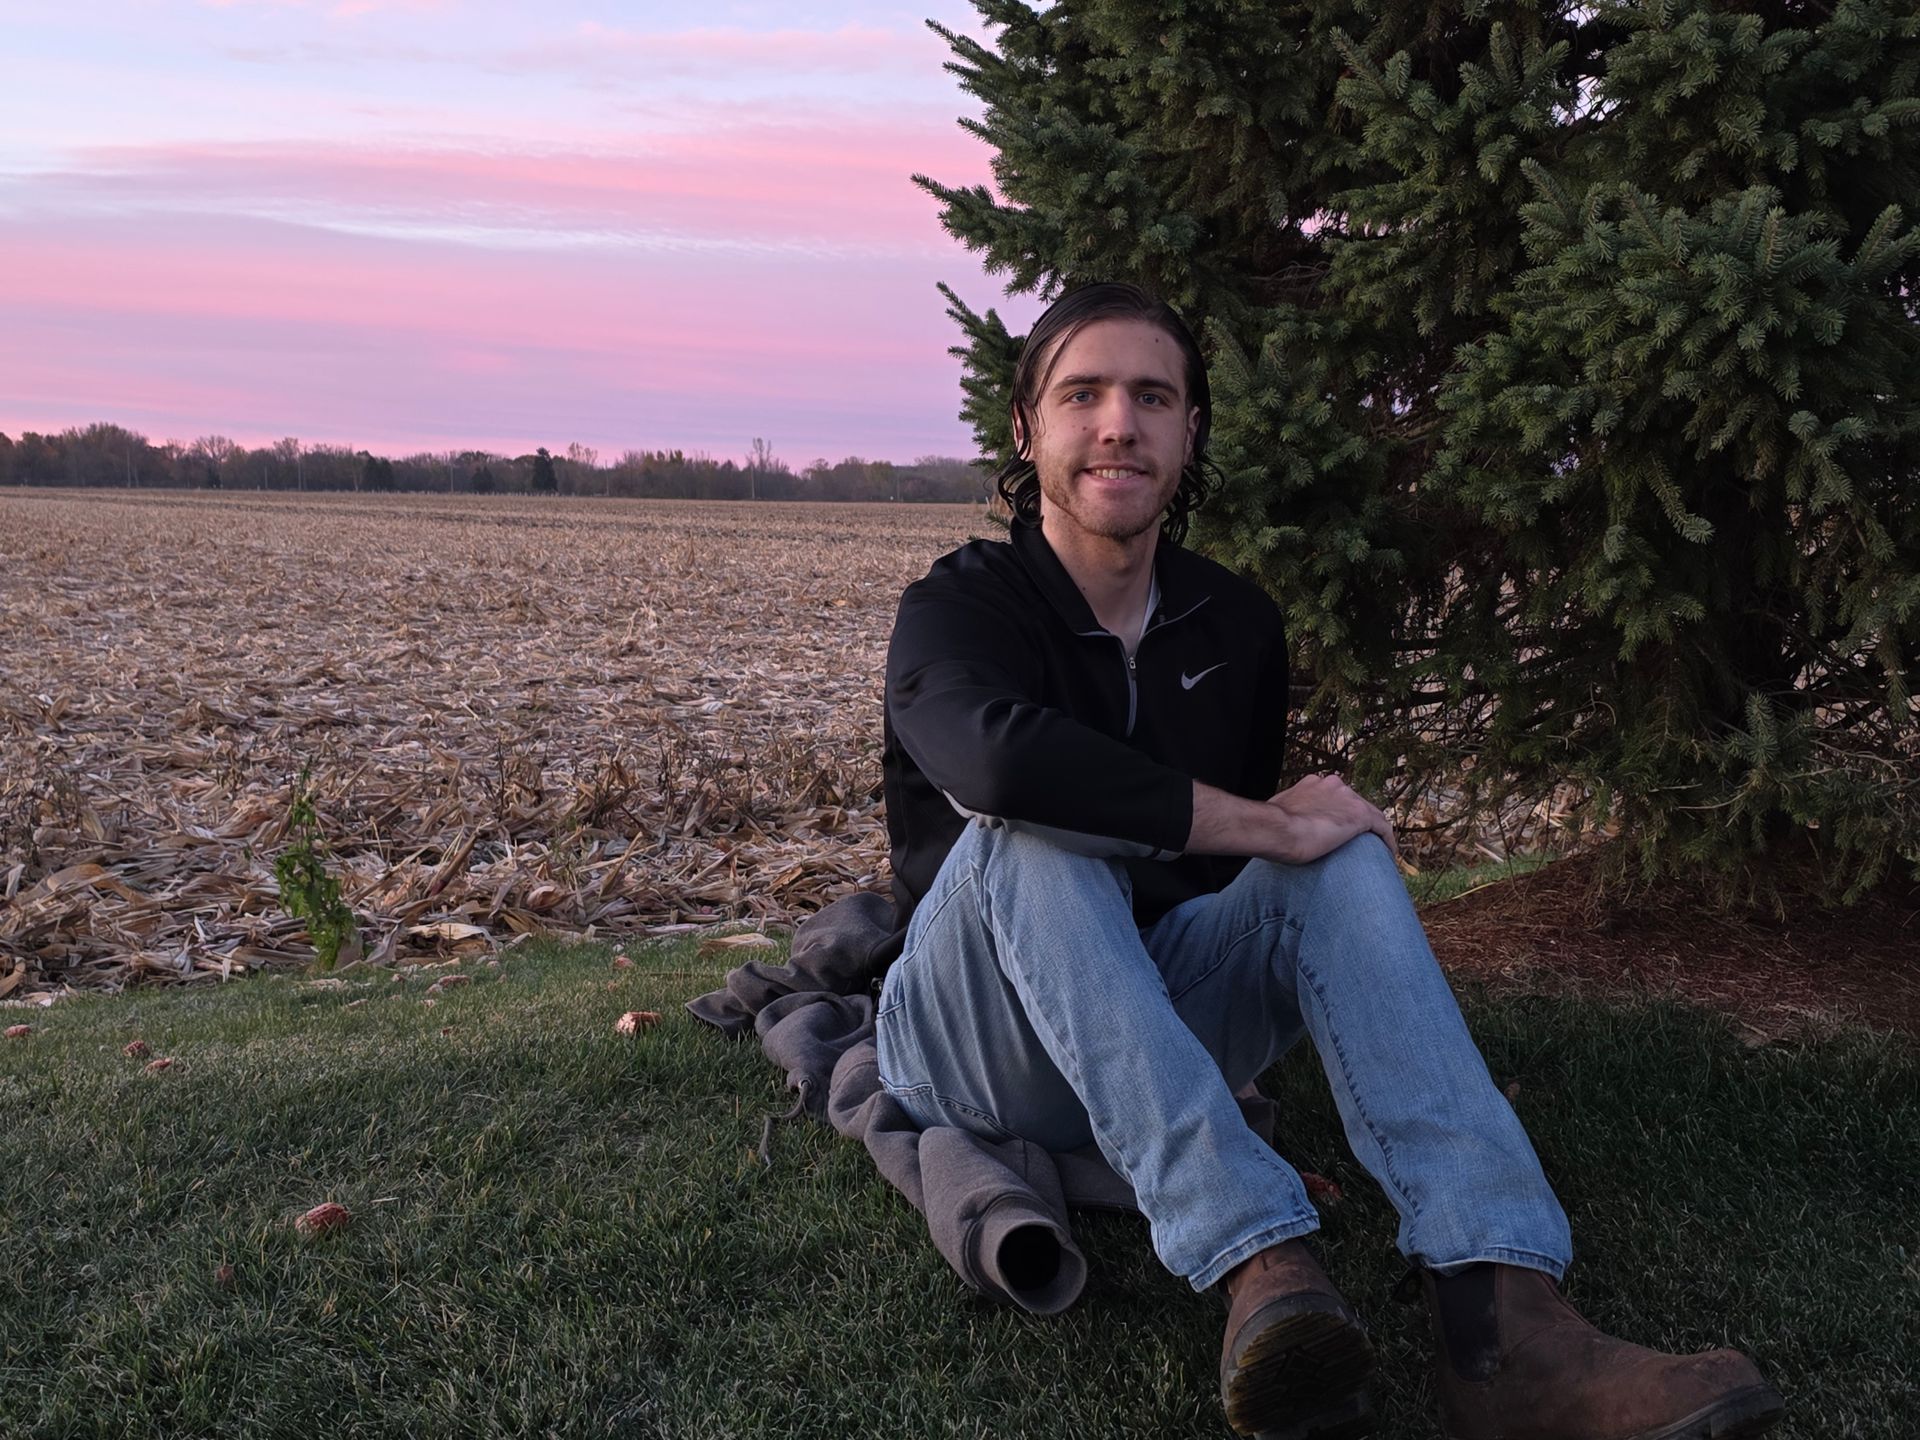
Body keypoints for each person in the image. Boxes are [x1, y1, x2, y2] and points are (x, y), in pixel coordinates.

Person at [873, 283, 1785, 1440]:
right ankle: (1260, 1261)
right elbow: (994, 772)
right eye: (1083, 394)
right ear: (1027, 430)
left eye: (1154, 396)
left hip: (1142, 1005)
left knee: (1340, 850)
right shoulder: (959, 607)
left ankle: (1502, 1318)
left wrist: (1293, 848)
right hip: (970, 1039)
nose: (1119, 424)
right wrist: (1265, 822)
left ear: (1191, 431)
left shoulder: (1237, 625)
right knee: (1034, 843)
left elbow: (1215, 884)